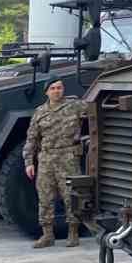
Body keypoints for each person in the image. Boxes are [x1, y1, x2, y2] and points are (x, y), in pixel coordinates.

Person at [23, 79, 83, 247]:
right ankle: (47, 235)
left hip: (68, 157)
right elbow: (31, 138)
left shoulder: (74, 106)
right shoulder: (40, 112)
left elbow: (94, 110)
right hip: (46, 160)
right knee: (45, 197)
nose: (57, 91)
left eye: (59, 88)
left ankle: (73, 233)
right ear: (46, 92)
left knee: (71, 196)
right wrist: (29, 161)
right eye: (53, 88)